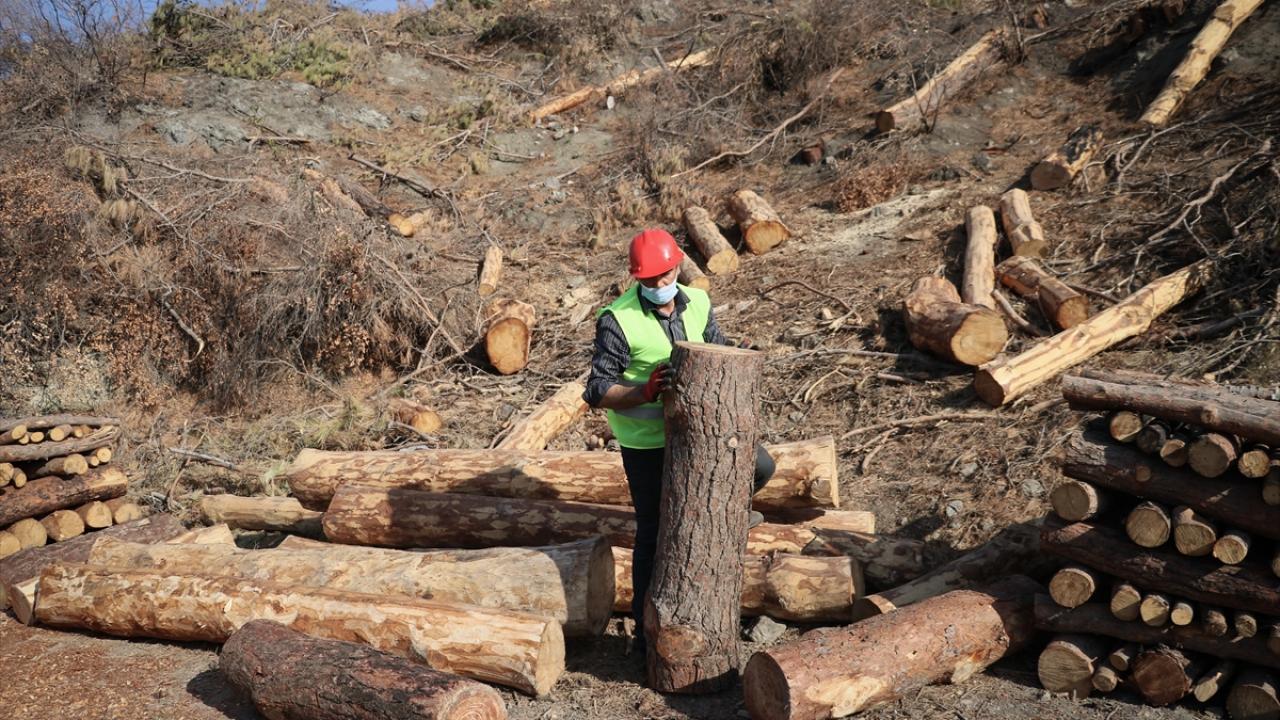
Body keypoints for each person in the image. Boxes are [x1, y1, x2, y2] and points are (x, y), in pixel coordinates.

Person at [583, 228, 774, 656]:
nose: (658, 284)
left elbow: (717, 348)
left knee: (762, 467)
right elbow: (596, 390)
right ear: (636, 277)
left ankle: (726, 513)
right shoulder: (618, 319)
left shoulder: (699, 301)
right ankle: (643, 630)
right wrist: (644, 391)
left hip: (700, 432)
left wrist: (739, 353)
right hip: (647, 442)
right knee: (653, 529)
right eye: (649, 279)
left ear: (677, 266)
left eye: (664, 275)